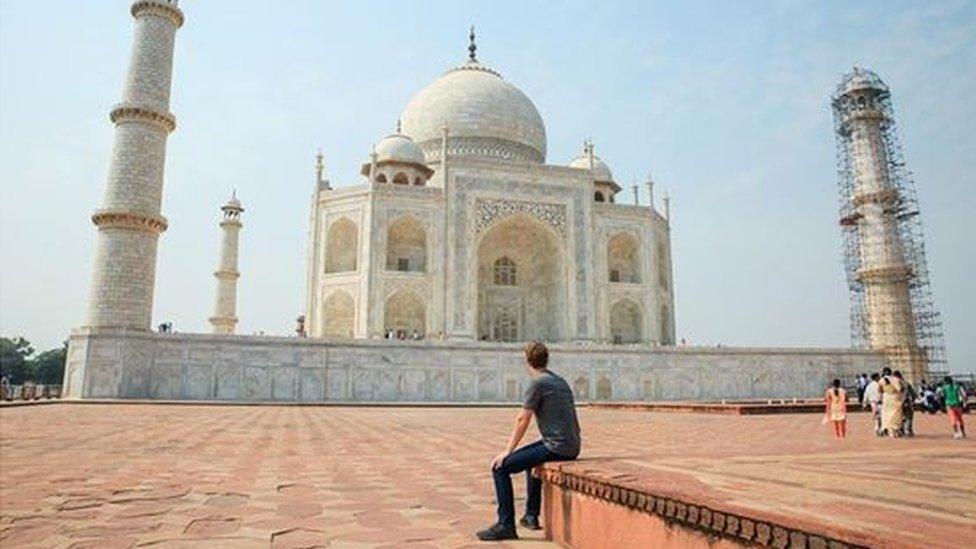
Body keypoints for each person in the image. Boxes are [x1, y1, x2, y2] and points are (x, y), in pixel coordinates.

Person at [476, 341, 581, 541]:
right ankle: (531, 515)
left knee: (500, 468)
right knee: (531, 461)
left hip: (557, 446)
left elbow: (523, 419)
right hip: (571, 444)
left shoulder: (538, 383)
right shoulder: (559, 380)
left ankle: (505, 524)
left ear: (527, 362)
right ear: (546, 359)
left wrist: (507, 451)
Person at [879, 367, 904, 437]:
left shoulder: (881, 380)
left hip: (886, 398)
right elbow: (900, 389)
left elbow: (879, 390)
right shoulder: (895, 379)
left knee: (886, 415)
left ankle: (888, 430)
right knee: (896, 415)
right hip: (894, 397)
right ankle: (895, 430)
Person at [894, 371, 917, 437]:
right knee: (908, 417)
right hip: (906, 403)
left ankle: (899, 431)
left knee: (899, 418)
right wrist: (912, 401)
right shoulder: (906, 384)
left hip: (897, 404)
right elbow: (913, 395)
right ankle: (907, 431)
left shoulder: (893, 385)